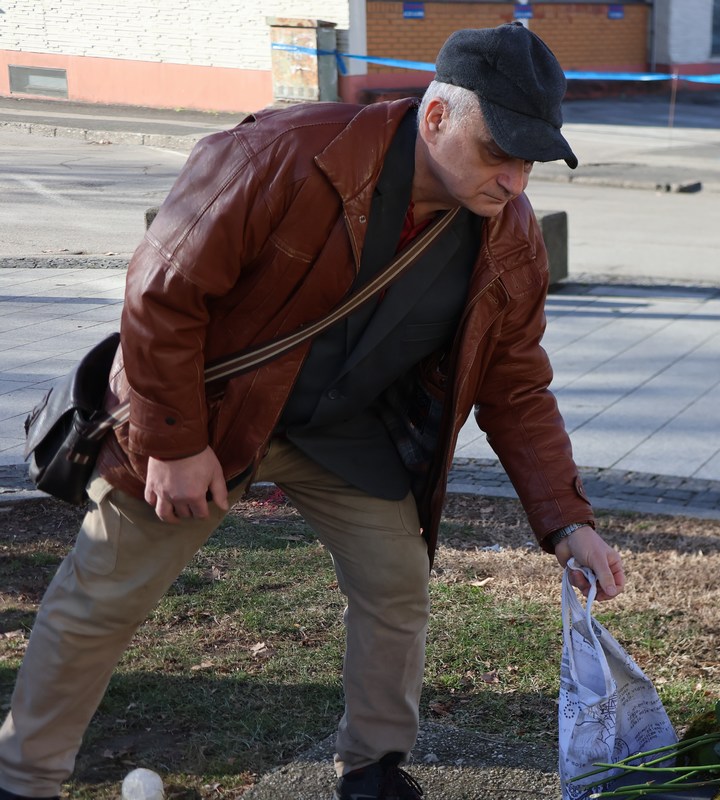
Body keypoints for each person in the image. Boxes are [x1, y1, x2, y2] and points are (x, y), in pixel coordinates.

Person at [0, 22, 624, 800]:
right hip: (211, 416)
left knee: (397, 582)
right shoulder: (281, 156)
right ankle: (23, 780)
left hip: (345, 431)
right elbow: (161, 291)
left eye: (530, 159)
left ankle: (372, 768)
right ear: (435, 118)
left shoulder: (511, 236)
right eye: (501, 151)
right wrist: (174, 442)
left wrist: (568, 521)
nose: (515, 181)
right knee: (101, 592)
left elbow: (516, 383)